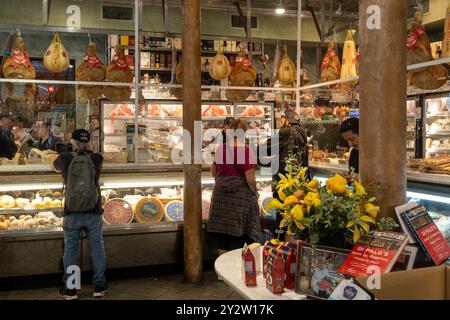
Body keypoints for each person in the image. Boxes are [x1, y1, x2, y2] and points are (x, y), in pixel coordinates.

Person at [53, 129, 107, 300]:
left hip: (72, 212)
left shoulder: (64, 158)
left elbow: (54, 168)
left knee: (71, 250)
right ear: (89, 141)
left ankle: (71, 288)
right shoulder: (97, 158)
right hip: (93, 210)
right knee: (97, 248)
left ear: (72, 141)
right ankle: (99, 286)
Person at [207, 119, 262, 256]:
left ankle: (221, 273)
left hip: (220, 198)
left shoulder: (221, 148)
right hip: (239, 200)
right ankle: (236, 273)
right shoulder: (245, 150)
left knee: (223, 240)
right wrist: (255, 192)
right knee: (239, 237)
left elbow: (213, 172)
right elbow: (250, 178)